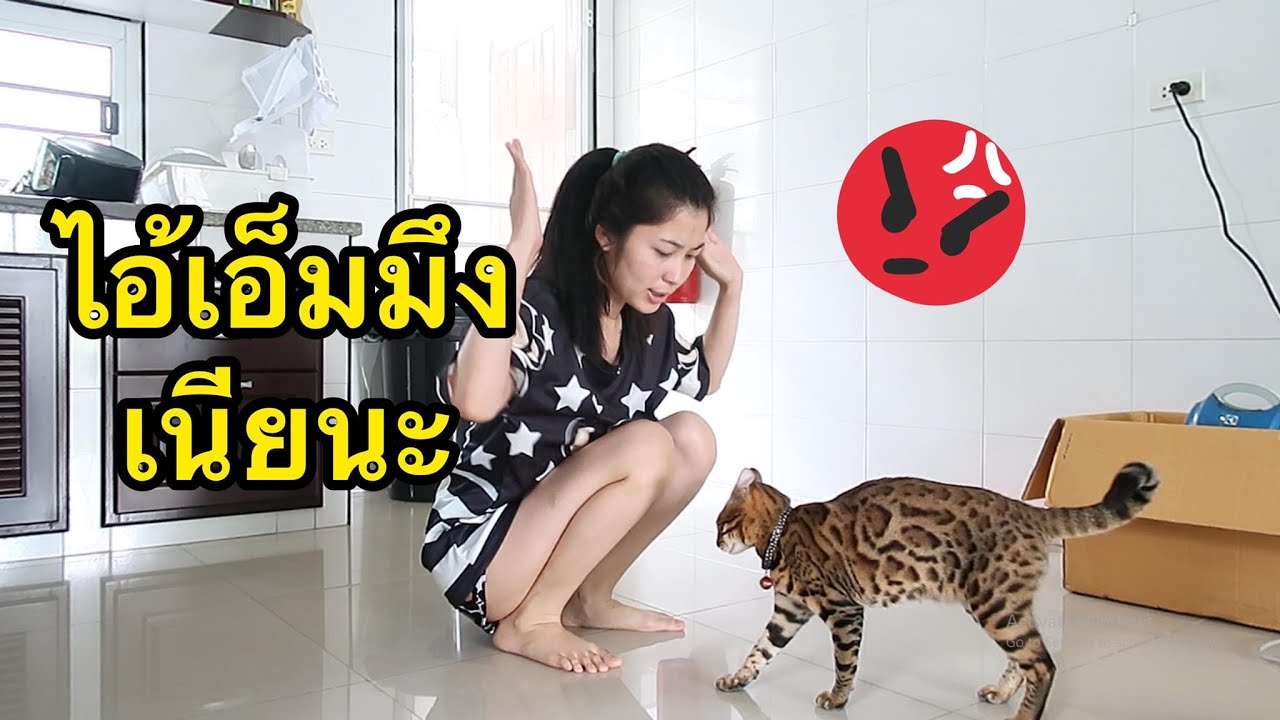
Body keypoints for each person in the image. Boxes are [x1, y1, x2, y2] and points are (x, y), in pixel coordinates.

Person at [420, 138, 743, 674]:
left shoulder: (650, 325)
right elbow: (474, 401)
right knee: (648, 443)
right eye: (663, 251)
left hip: (545, 530)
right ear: (606, 234)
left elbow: (706, 379)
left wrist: (732, 285)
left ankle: (588, 598)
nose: (676, 274)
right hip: (485, 551)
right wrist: (519, 251)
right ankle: (532, 620)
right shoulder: (537, 309)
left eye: (690, 256)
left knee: (692, 437)